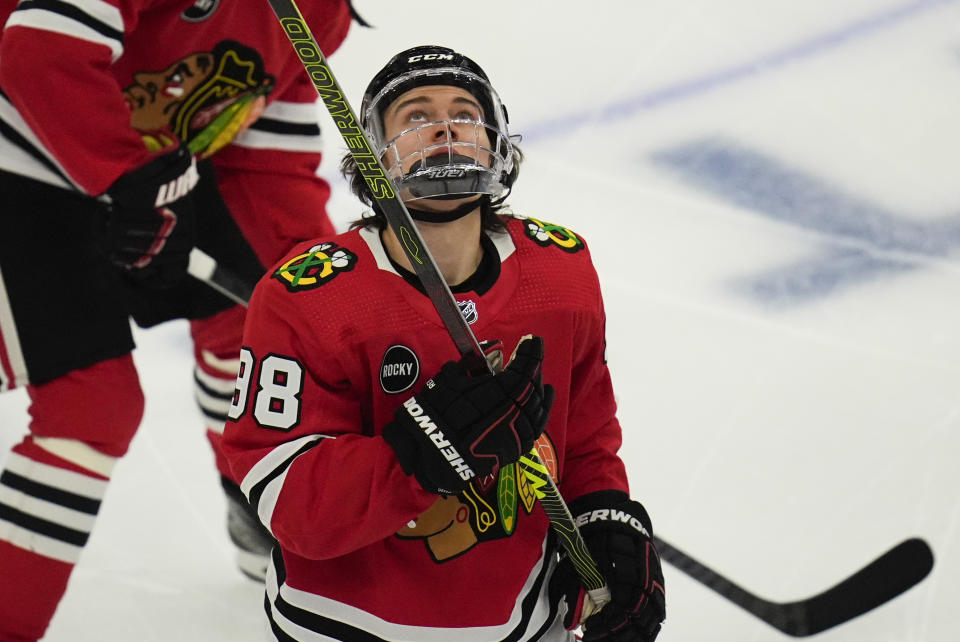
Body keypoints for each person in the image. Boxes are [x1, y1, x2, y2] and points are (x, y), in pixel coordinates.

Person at [222, 45, 667, 641]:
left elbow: (583, 435)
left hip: (526, 620)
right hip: (344, 625)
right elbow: (288, 505)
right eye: (414, 116)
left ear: (498, 143)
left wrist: (604, 516)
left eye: (465, 112)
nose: (444, 128)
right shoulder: (306, 295)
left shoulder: (560, 273)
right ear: (371, 154)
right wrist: (419, 453)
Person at [0, 1, 358, 639]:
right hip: (20, 137)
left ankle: (255, 495)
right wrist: (122, 173)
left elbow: (267, 170)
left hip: (131, 169)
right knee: (89, 406)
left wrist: (319, 296)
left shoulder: (318, 12)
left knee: (261, 324)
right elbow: (38, 52)